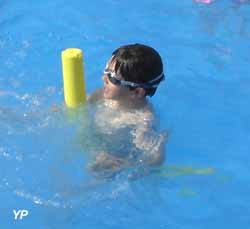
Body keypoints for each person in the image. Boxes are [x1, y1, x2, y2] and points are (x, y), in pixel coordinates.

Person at [86, 43, 167, 178]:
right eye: (106, 71)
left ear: (136, 92)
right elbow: (80, 104)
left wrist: (125, 164)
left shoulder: (143, 119)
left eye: (112, 78)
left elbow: (156, 159)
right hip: (96, 144)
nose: (103, 78)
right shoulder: (102, 95)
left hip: (116, 156)